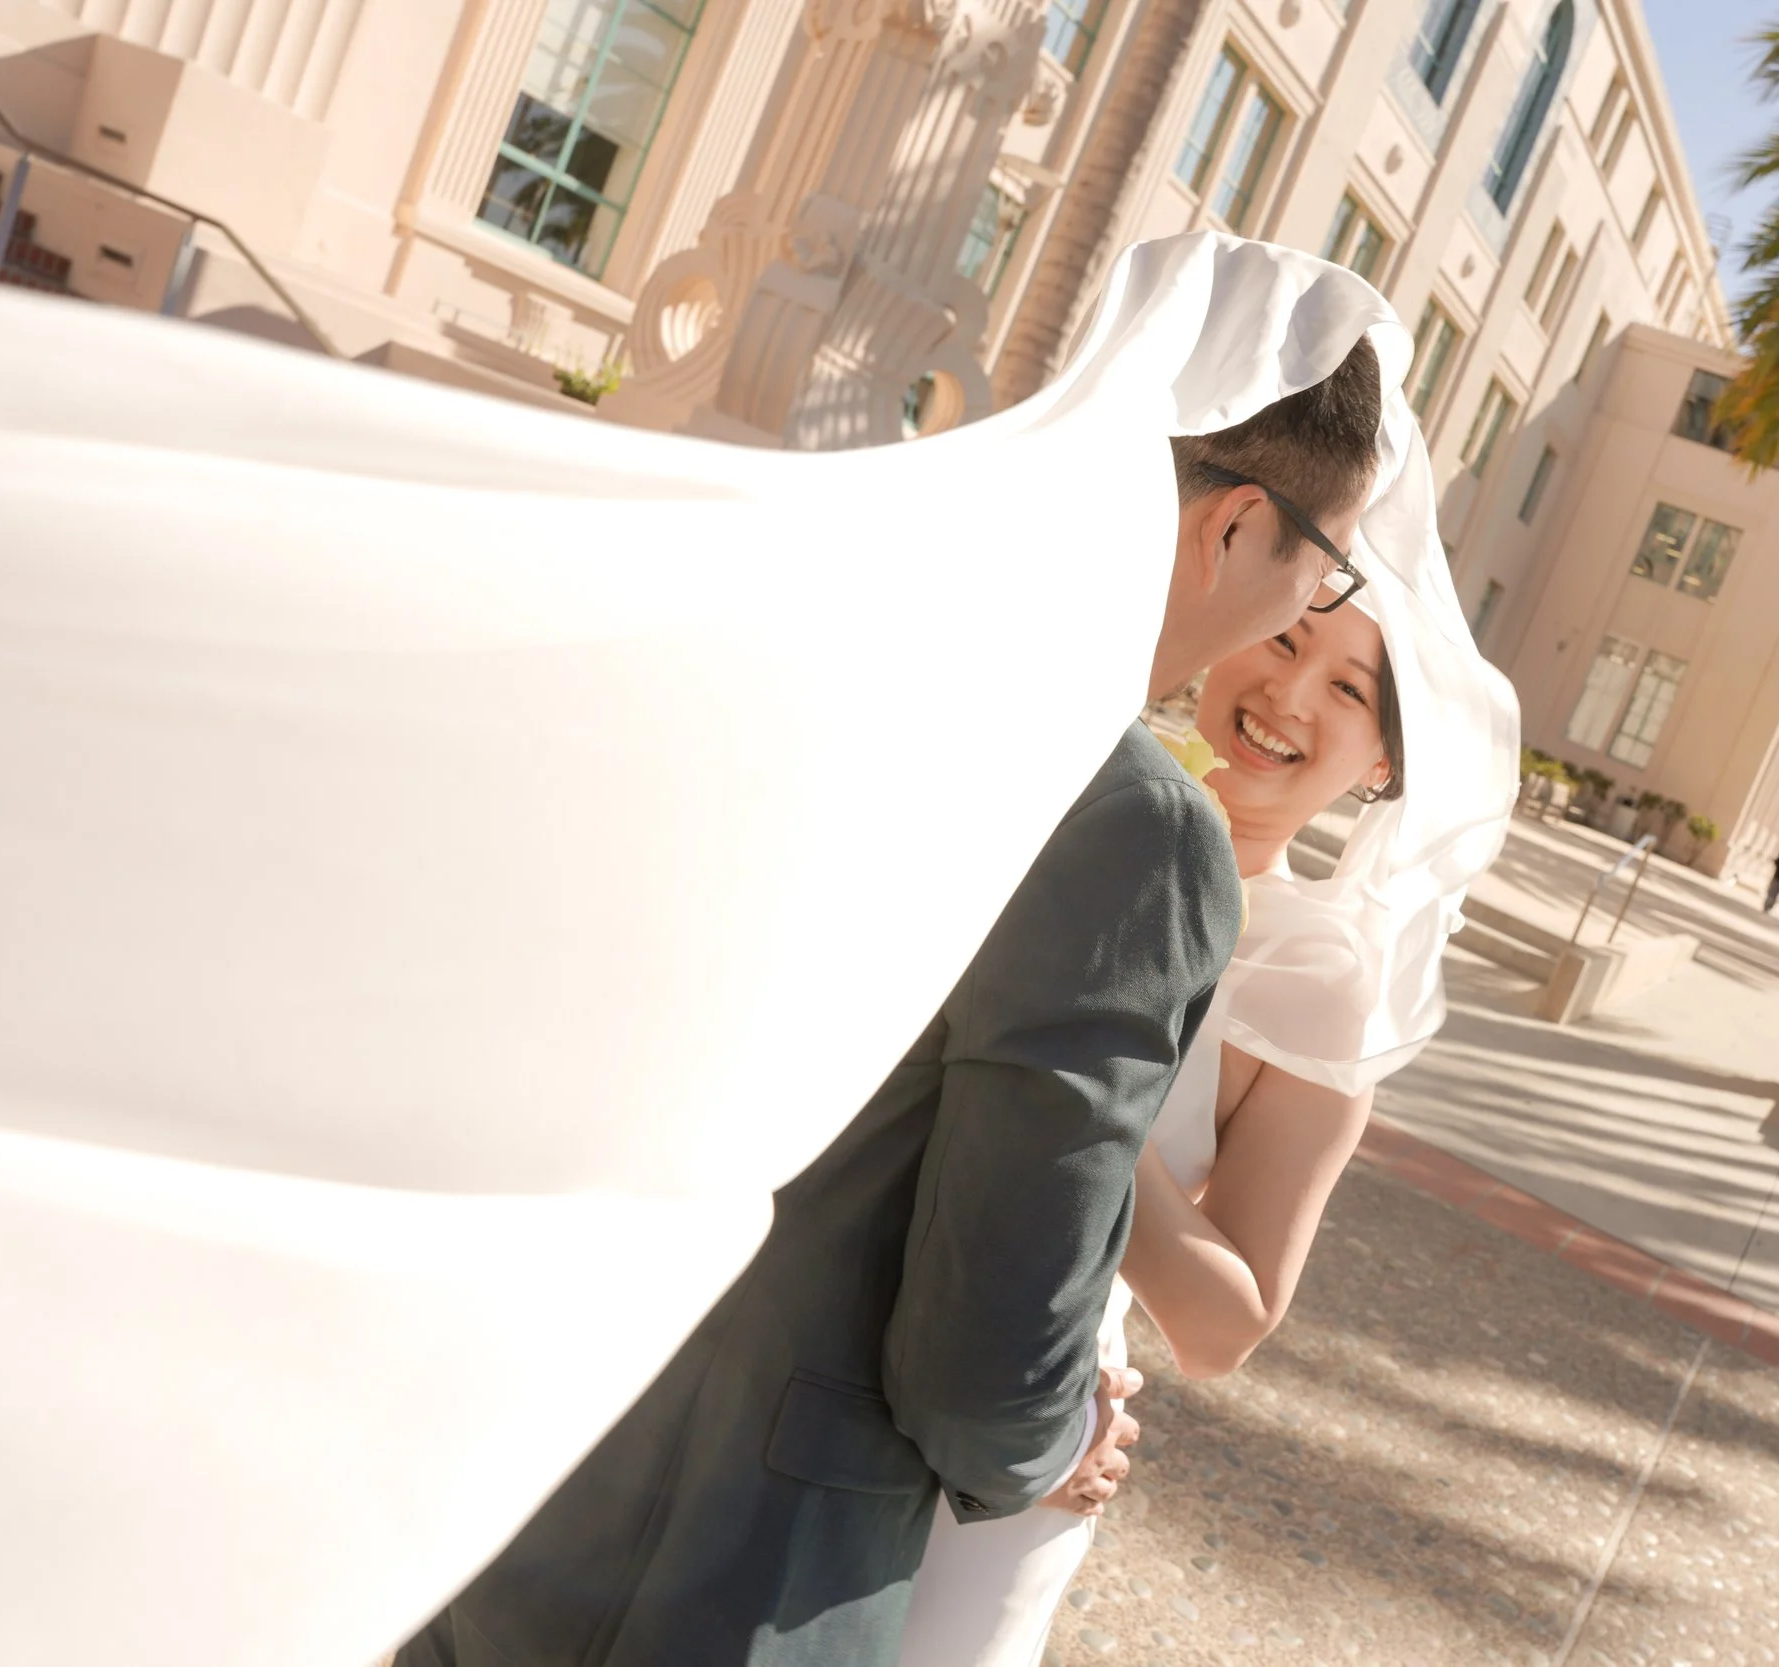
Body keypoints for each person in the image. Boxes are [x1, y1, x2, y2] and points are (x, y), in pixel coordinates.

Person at [394, 339, 1391, 1667]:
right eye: (1321, 565)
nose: (1299, 609)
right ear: (1235, 524)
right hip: (749, 1563)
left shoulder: (851, 663)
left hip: (533, 1460)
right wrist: (1065, 1435)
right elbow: (988, 1328)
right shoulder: (1136, 828)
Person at [895, 336, 1519, 1667]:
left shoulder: (1320, 977)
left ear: (1382, 763)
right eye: (1289, 638)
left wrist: (1076, 1100)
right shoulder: (1066, 789)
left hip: (1025, 1427)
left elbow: (1231, 1318)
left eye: (1349, 690)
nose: (1291, 695)